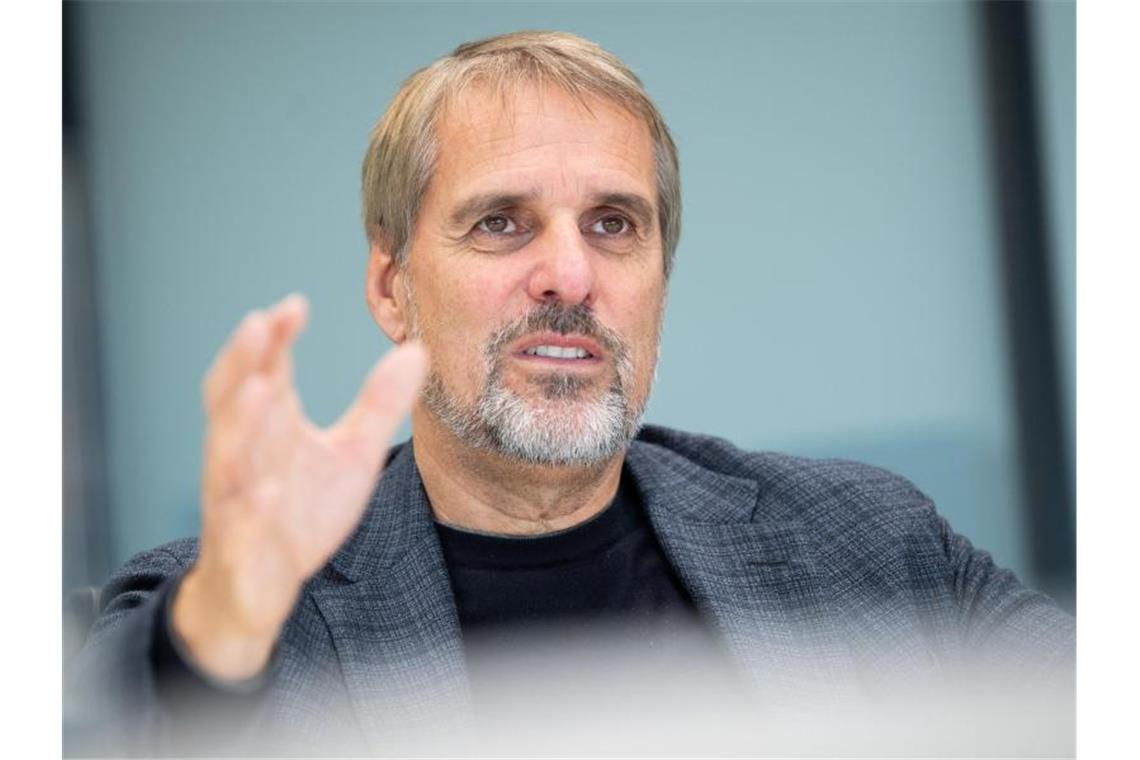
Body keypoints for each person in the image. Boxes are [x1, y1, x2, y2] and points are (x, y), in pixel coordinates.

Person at [66, 31, 1074, 756]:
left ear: (659, 281)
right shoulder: (240, 602)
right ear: (390, 285)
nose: (569, 276)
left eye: (614, 225)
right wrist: (224, 635)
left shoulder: (864, 538)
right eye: (501, 223)